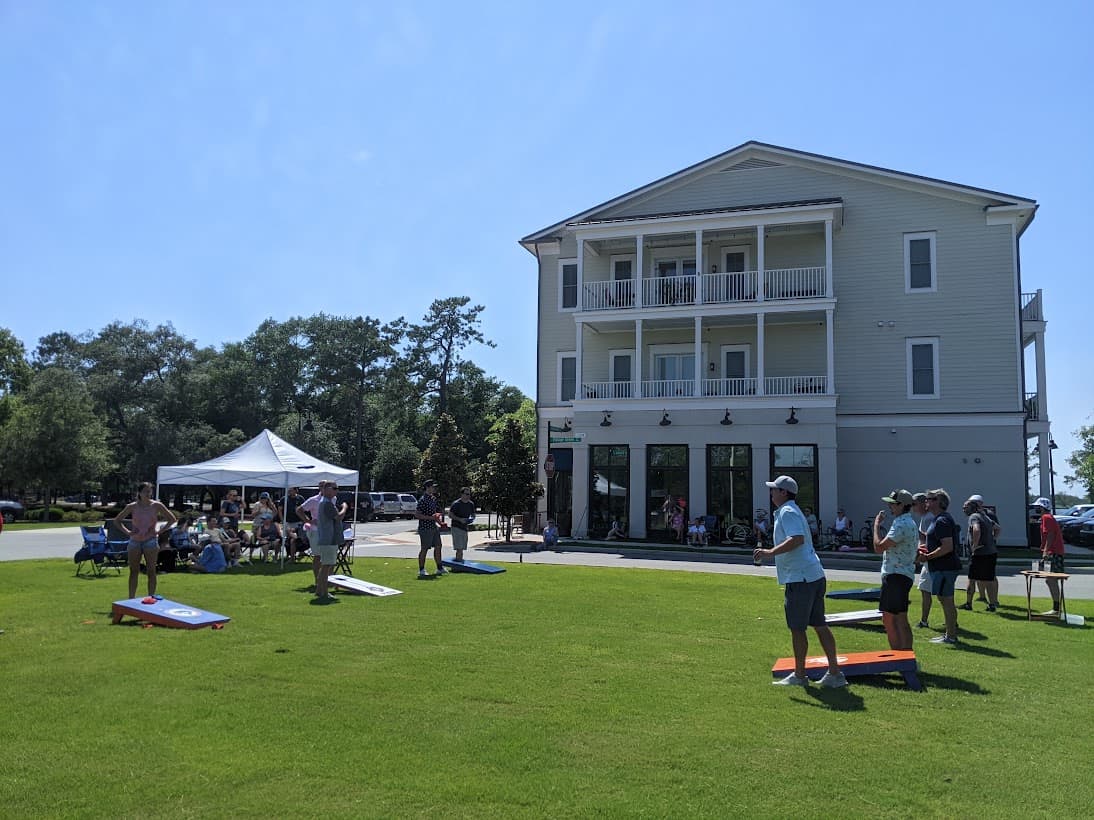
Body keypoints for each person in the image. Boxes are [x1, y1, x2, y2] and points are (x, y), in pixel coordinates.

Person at [754, 475, 846, 688]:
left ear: (783, 492)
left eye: (774, 489)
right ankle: (834, 673)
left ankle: (800, 675)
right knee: (819, 624)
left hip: (801, 578)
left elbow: (796, 539)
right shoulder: (791, 510)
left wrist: (769, 552)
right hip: (812, 574)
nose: (771, 493)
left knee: (798, 628)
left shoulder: (787, 511)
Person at [114, 482, 177, 599]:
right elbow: (117, 521)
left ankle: (151, 597)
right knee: (134, 571)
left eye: (150, 491)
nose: (148, 494)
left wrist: (159, 531)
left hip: (150, 541)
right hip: (135, 541)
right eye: (145, 491)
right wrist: (128, 532)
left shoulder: (157, 505)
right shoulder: (132, 506)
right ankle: (131, 599)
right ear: (139, 493)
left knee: (151, 571)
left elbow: (172, 519)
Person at [872, 490, 918, 650]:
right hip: (901, 575)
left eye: (892, 503)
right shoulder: (908, 522)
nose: (889, 506)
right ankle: (904, 657)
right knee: (897, 617)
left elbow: (878, 547)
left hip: (896, 575)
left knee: (892, 619)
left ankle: (901, 657)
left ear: (902, 505)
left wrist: (876, 525)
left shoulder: (901, 524)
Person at [919, 489, 961, 645]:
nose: (926, 502)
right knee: (945, 600)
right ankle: (949, 634)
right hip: (942, 567)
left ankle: (951, 636)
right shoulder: (939, 519)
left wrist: (927, 556)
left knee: (947, 600)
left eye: (929, 499)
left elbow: (947, 546)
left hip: (945, 567)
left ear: (938, 501)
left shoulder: (942, 520)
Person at [960, 494, 999, 612]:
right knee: (989, 579)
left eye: (965, 507)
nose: (963, 509)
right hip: (991, 552)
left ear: (972, 508)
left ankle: (968, 603)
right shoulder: (985, 516)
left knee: (971, 578)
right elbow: (997, 528)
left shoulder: (973, 517)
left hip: (979, 554)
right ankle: (992, 604)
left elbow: (976, 529)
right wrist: (992, 541)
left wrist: (974, 546)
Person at [1034, 497, 1066, 614]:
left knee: (1051, 580)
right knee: (1050, 580)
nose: (1036, 509)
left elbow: (1050, 535)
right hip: (1054, 551)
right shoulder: (1047, 518)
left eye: (1038, 507)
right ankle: (1057, 607)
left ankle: (1056, 609)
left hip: (1053, 552)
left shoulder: (1046, 518)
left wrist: (1046, 551)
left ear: (1042, 507)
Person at [314, 482, 342, 601]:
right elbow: (338, 517)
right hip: (328, 539)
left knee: (325, 566)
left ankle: (319, 591)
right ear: (327, 489)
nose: (337, 491)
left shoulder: (324, 502)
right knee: (326, 566)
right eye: (335, 488)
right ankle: (324, 593)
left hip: (326, 538)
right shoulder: (326, 503)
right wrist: (345, 507)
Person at [912, 492, 935, 628]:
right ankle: (952, 622)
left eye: (914, 504)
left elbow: (928, 540)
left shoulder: (928, 518)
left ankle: (924, 621)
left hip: (930, 560)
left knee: (926, 591)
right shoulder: (926, 518)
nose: (913, 507)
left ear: (923, 503)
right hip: (927, 560)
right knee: (940, 594)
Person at [414, 479, 446, 578]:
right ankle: (421, 569)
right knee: (424, 549)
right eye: (432, 487)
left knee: (438, 546)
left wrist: (440, 523)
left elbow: (435, 515)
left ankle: (439, 568)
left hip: (433, 527)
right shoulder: (422, 500)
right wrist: (431, 518)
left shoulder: (433, 499)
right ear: (427, 487)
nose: (434, 488)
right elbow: (417, 515)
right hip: (425, 528)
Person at [449, 487, 475, 563]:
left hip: (464, 528)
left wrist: (471, 519)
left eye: (469, 494)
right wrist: (460, 519)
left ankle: (458, 563)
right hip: (456, 527)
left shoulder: (471, 504)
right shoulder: (456, 504)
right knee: (459, 548)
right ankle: (457, 566)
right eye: (467, 494)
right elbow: (450, 515)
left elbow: (473, 514)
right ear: (462, 494)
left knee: (462, 548)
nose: (468, 496)